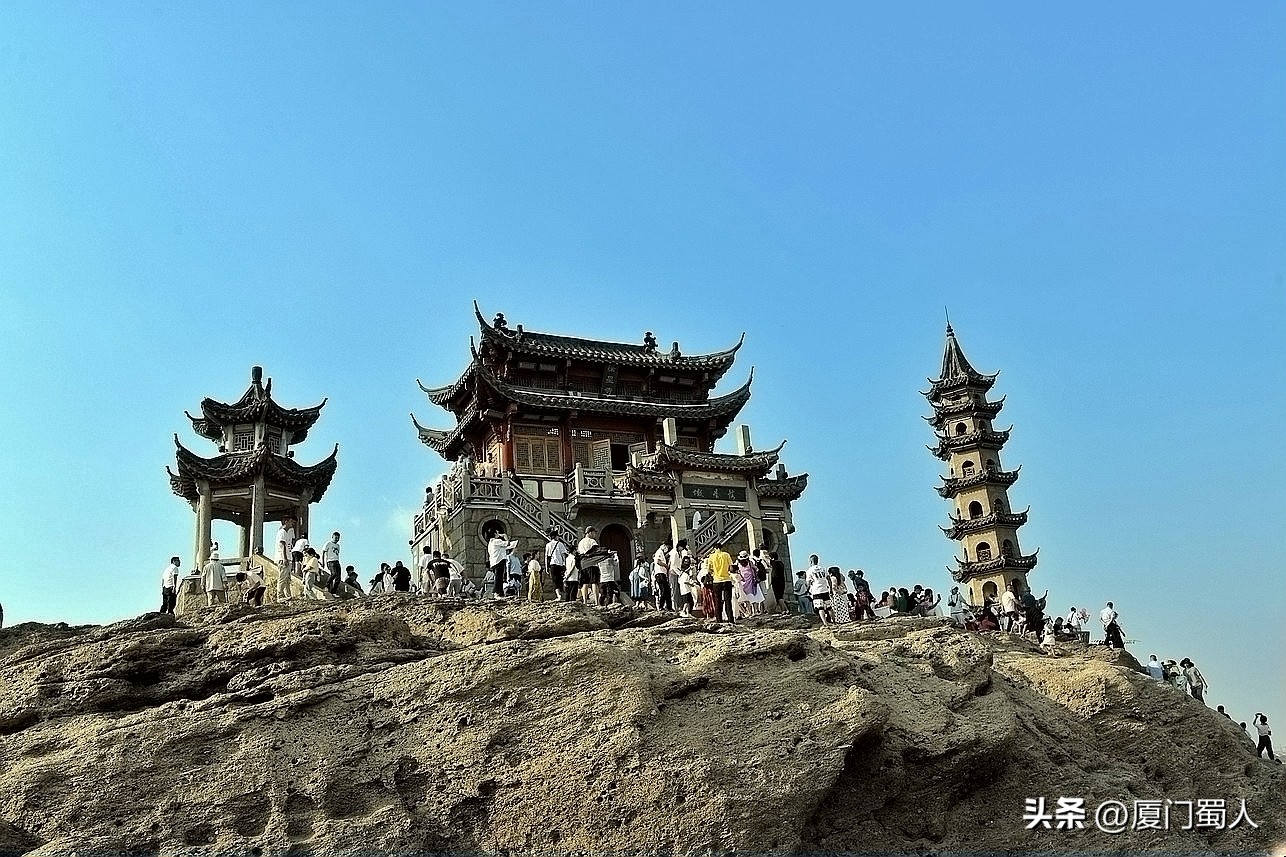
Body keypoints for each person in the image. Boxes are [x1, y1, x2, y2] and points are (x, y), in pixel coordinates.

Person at [707, 542, 735, 622]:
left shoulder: (711, 556)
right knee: (728, 601)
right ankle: (730, 619)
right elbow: (731, 568)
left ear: (714, 548)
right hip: (726, 579)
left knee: (717, 600)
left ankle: (719, 620)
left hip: (717, 580)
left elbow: (709, 570)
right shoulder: (726, 555)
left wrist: (714, 573)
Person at [487, 530, 518, 599]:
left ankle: (500, 593)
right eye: (497, 532)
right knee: (498, 578)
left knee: (500, 577)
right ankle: (496, 592)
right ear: (495, 533)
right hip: (499, 561)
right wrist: (505, 536)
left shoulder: (491, 543)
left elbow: (504, 547)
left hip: (494, 562)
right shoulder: (496, 541)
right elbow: (507, 543)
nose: (499, 534)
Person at [577, 527, 601, 605]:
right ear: (590, 532)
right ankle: (597, 602)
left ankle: (585, 601)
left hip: (583, 564)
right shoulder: (592, 541)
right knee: (594, 582)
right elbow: (597, 551)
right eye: (594, 533)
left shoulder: (580, 542)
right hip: (592, 563)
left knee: (585, 583)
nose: (595, 534)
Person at [805, 556, 831, 625]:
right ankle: (834, 621)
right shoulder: (823, 568)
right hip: (825, 589)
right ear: (817, 561)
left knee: (820, 608)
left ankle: (825, 623)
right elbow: (828, 578)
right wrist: (830, 588)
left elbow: (808, 583)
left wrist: (807, 589)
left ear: (810, 561)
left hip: (816, 590)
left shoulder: (809, 570)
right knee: (829, 607)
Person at [545, 529, 570, 600]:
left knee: (555, 580)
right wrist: (565, 564)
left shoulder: (548, 545)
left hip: (552, 565)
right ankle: (562, 594)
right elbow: (563, 555)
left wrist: (547, 567)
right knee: (560, 580)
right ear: (556, 536)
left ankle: (558, 595)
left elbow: (546, 557)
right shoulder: (560, 544)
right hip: (560, 565)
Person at [275, 517, 295, 601]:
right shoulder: (282, 532)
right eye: (291, 521)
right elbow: (282, 545)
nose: (292, 523)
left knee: (287, 579)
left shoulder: (287, 532)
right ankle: (280, 596)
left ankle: (287, 595)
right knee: (282, 578)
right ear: (286, 522)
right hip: (283, 558)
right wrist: (285, 558)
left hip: (288, 557)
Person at [652, 539, 673, 611]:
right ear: (664, 545)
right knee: (664, 590)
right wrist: (666, 565)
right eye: (666, 547)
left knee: (667, 590)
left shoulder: (662, 553)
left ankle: (669, 607)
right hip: (660, 574)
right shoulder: (659, 552)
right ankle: (661, 606)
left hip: (663, 574)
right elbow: (658, 561)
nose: (666, 549)